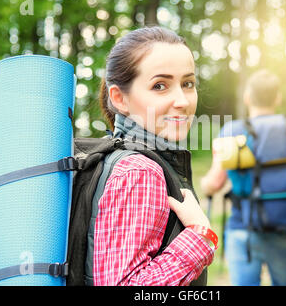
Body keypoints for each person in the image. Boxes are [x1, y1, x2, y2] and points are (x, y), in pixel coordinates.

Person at [92, 26, 216, 285]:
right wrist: (200, 237)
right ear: (119, 98)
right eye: (160, 85)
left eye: (188, 83)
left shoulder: (116, 155)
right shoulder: (139, 171)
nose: (182, 100)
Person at [201, 69, 286, 286]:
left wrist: (204, 185)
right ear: (278, 97)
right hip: (285, 228)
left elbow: (215, 183)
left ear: (247, 97)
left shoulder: (232, 131)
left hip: (242, 229)